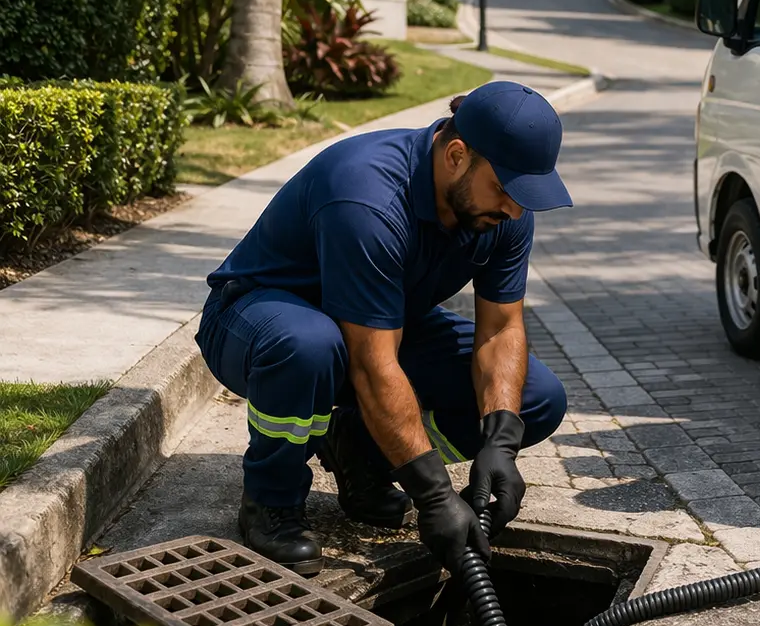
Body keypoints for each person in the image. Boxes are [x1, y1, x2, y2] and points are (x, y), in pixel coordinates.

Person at [194, 81, 571, 576]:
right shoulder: (368, 196)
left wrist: (499, 444)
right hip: (260, 319)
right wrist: (434, 494)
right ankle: (271, 500)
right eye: (505, 190)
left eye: (525, 196)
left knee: (538, 398)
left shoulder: (504, 209)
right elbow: (373, 366)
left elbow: (500, 331)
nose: (515, 210)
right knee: (311, 346)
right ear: (456, 155)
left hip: (384, 320)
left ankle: (360, 450)